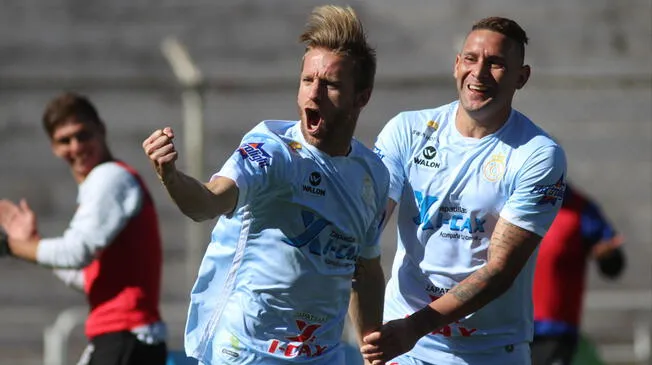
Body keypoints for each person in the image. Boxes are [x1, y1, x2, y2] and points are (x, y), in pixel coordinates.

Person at [142, 5, 388, 365]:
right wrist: (171, 176)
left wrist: (371, 350)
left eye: (330, 84)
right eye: (307, 80)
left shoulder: (372, 175)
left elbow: (365, 269)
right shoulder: (273, 151)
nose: (313, 94)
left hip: (322, 356)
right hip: (245, 352)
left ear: (361, 97)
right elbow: (208, 202)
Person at [362, 16, 568, 365]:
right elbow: (368, 222)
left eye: (497, 63)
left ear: (522, 77)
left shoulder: (537, 153)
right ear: (457, 64)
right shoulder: (407, 130)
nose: (480, 72)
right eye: (471, 59)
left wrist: (417, 326)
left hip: (488, 348)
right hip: (405, 342)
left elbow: (500, 270)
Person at [0, 92, 167, 365]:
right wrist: (31, 243)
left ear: (101, 129)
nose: (76, 147)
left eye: (83, 135)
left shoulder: (109, 178)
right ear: (54, 147)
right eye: (64, 140)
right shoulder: (106, 182)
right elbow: (86, 276)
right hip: (129, 341)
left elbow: (76, 252)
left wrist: (10, 245)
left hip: (125, 337)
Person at [531, 183, 625, 365]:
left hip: (552, 330)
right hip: (505, 325)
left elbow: (613, 264)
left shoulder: (580, 209)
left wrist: (608, 256)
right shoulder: (506, 199)